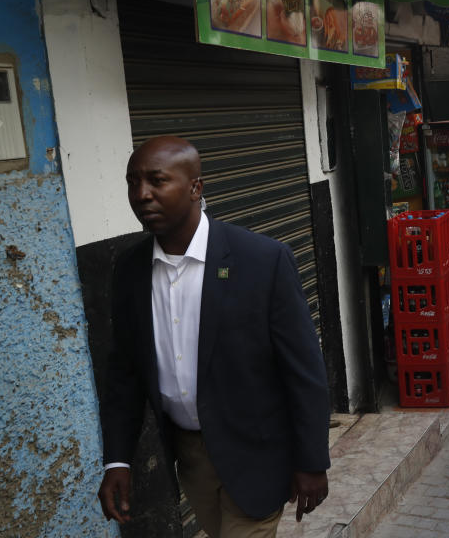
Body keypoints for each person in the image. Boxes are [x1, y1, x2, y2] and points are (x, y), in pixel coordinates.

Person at [98, 137, 330, 537]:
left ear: (195, 187)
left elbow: (304, 371)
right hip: (190, 458)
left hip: (256, 452)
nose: (141, 194)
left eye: (156, 180)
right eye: (132, 181)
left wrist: (312, 460)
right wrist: (117, 460)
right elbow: (125, 376)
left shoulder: (262, 260)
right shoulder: (130, 271)